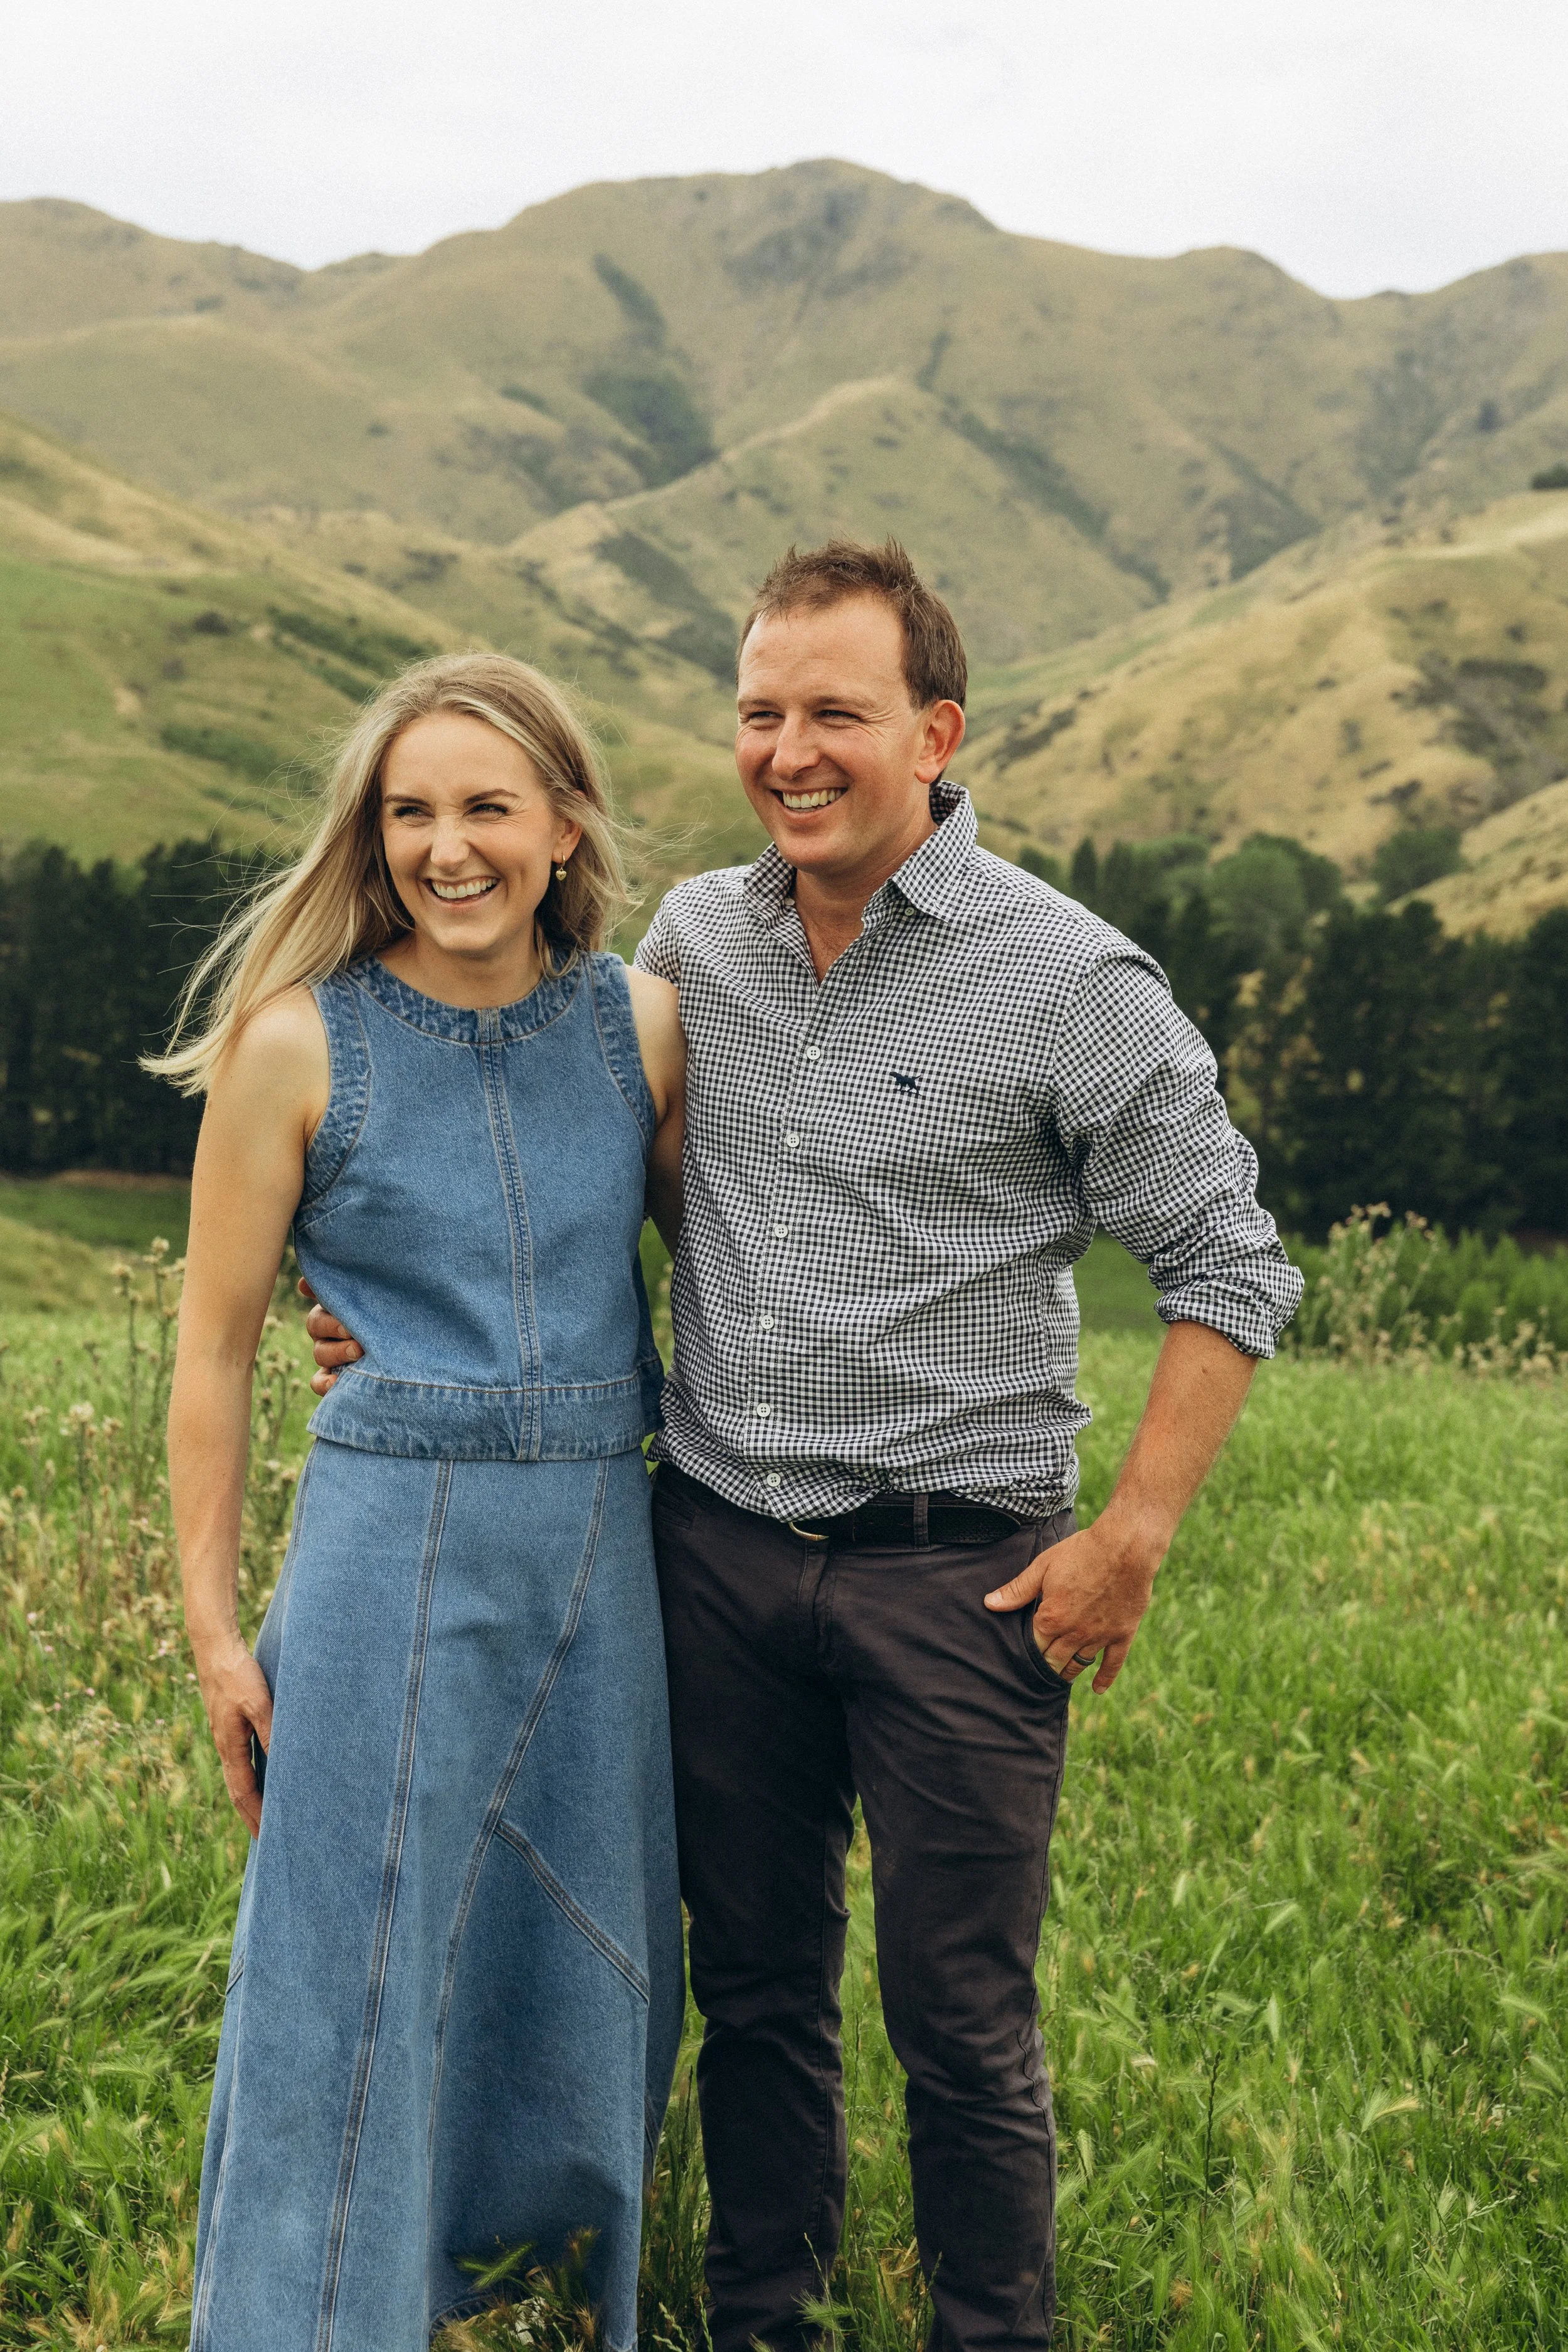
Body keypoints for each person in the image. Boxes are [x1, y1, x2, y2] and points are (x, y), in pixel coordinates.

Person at [312, 541, 1303, 2352]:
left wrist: (1131, 1536)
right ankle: (765, 2310)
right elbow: (574, 1161)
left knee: (957, 2009)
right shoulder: (695, 938)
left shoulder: (1067, 977)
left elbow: (1229, 1260)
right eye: (759, 710)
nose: (788, 747)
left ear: (932, 728)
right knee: (756, 1985)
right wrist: (408, 1298)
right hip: (717, 1552)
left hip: (963, 1569)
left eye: (832, 710)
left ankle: (988, 2329)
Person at [157, 652, 686, 2352]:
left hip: (604, 1557)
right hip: (389, 1552)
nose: (446, 848)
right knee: (345, 1970)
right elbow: (217, 1347)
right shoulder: (294, 1041)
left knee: (592, 1949)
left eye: (484, 808)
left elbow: (721, 1278)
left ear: (563, 823)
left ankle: (521, 2283)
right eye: (410, 813)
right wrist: (215, 1625)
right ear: (369, 837)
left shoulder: (644, 1026)